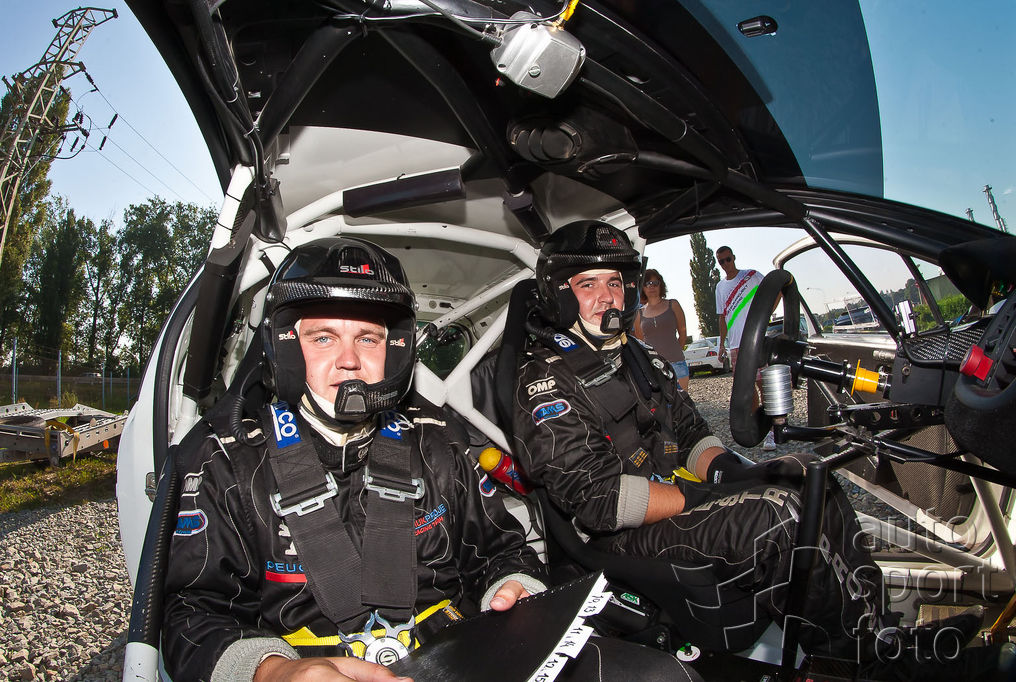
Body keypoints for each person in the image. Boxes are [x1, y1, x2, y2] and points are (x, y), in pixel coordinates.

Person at [162, 237, 699, 682]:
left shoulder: (437, 442)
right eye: (323, 337)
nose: (349, 360)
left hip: (456, 662)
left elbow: (503, 551)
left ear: (394, 350)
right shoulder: (226, 463)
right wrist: (273, 671)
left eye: (368, 338)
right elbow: (192, 613)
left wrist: (514, 590)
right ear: (285, 348)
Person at [511, 220, 999, 680]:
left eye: (615, 282)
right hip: (616, 536)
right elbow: (600, 500)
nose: (607, 297)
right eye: (588, 284)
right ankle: (869, 666)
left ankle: (881, 634)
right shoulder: (545, 380)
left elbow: (690, 433)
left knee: (807, 473)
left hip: (670, 502)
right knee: (775, 515)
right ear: (561, 294)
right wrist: (704, 498)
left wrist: (730, 472)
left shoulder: (640, 355)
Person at [714, 245, 776, 451]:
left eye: (727, 259)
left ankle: (772, 430)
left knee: (764, 385)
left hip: (756, 340)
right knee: (747, 389)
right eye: (721, 261)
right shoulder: (720, 287)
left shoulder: (751, 276)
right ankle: (757, 424)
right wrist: (721, 344)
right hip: (735, 345)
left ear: (733, 257)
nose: (725, 264)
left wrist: (766, 314)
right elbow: (722, 317)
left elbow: (775, 291)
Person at [633, 268, 690, 391]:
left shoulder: (673, 305)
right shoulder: (639, 314)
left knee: (683, 401)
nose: (651, 287)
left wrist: (676, 353)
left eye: (655, 283)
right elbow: (641, 340)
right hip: (654, 369)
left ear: (661, 285)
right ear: (642, 288)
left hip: (677, 364)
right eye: (647, 284)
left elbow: (683, 332)